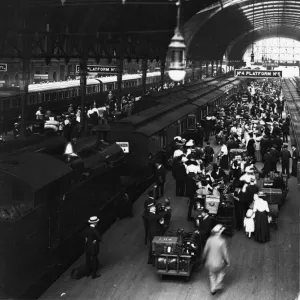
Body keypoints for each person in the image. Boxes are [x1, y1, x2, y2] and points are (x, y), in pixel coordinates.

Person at [202, 224, 230, 295]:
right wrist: (228, 262)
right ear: (219, 232)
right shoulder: (222, 241)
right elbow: (225, 253)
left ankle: (212, 289)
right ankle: (217, 285)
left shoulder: (209, 240)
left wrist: (203, 259)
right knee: (222, 273)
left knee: (212, 275)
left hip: (210, 263)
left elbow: (205, 251)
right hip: (219, 263)